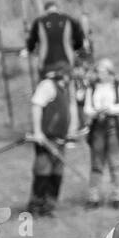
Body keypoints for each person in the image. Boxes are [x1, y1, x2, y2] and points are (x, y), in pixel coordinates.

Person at [26, 66, 78, 217]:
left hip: (60, 140)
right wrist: (37, 132)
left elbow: (70, 108)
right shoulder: (47, 85)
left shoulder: (66, 88)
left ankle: (49, 206)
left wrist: (71, 130)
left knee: (57, 174)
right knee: (43, 172)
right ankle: (35, 205)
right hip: (46, 139)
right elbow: (37, 105)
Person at [83, 58, 119, 210]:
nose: (99, 74)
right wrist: (96, 111)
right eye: (98, 71)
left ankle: (117, 197)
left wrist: (110, 109)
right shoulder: (92, 87)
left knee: (115, 164)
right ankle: (93, 198)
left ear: (110, 72)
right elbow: (87, 109)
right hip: (97, 126)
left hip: (113, 126)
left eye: (102, 71)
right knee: (96, 164)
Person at [23, 0, 86, 74]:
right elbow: (79, 40)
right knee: (69, 81)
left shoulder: (38, 22)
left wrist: (31, 50)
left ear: (45, 11)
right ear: (57, 9)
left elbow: (31, 44)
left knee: (44, 83)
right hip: (66, 61)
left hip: (46, 63)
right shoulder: (69, 19)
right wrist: (75, 48)